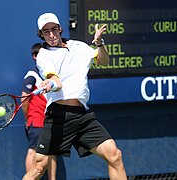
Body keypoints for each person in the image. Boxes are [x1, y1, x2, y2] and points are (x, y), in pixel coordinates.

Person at [23, 13, 127, 180]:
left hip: (82, 116)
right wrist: (50, 84)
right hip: (58, 116)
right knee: (38, 169)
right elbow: (55, 80)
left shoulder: (79, 46)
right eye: (46, 31)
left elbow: (103, 61)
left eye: (54, 30)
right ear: (41, 34)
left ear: (60, 29)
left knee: (115, 155)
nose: (51, 35)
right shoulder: (43, 55)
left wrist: (100, 43)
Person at [21, 43, 57, 180]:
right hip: (36, 120)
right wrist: (28, 118)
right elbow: (25, 96)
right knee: (33, 152)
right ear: (35, 57)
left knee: (53, 152)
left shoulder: (52, 76)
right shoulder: (32, 75)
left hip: (51, 120)